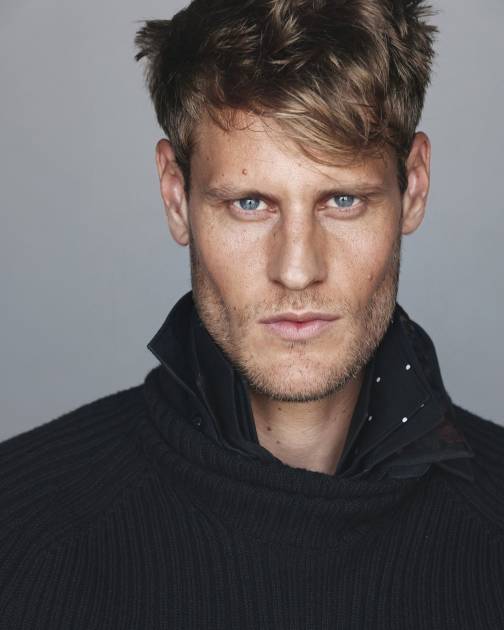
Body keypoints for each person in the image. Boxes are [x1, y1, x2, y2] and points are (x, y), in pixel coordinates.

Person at [1, 0, 503, 628]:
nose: (296, 269)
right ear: (176, 198)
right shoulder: (17, 534)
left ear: (415, 188)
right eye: (248, 203)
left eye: (342, 200)